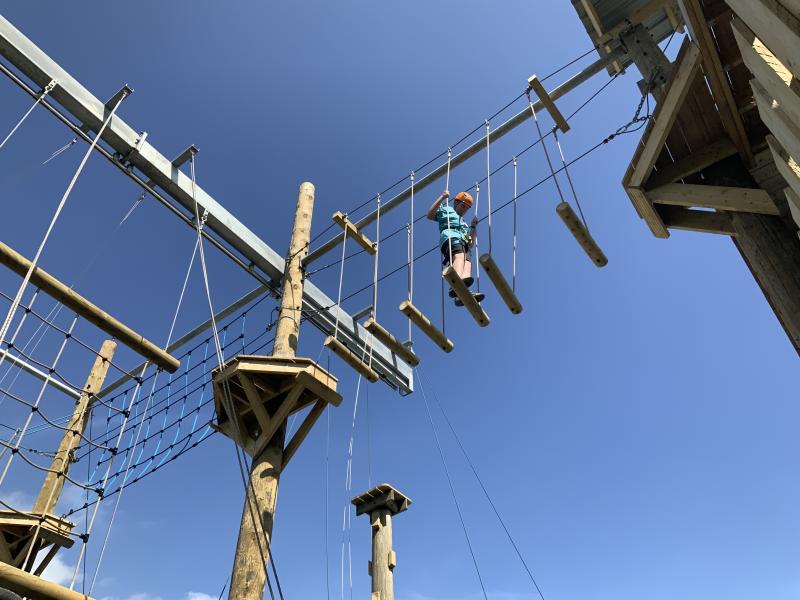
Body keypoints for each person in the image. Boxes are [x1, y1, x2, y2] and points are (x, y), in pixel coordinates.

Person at [426, 189, 484, 306]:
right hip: (451, 237)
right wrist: (442, 197)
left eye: (467, 208)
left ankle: (462, 292)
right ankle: (456, 283)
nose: (464, 209)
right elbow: (430, 215)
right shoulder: (446, 210)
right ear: (456, 203)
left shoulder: (464, 223)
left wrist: (473, 226)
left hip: (464, 243)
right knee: (460, 256)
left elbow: (471, 242)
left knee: (468, 262)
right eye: (463, 206)